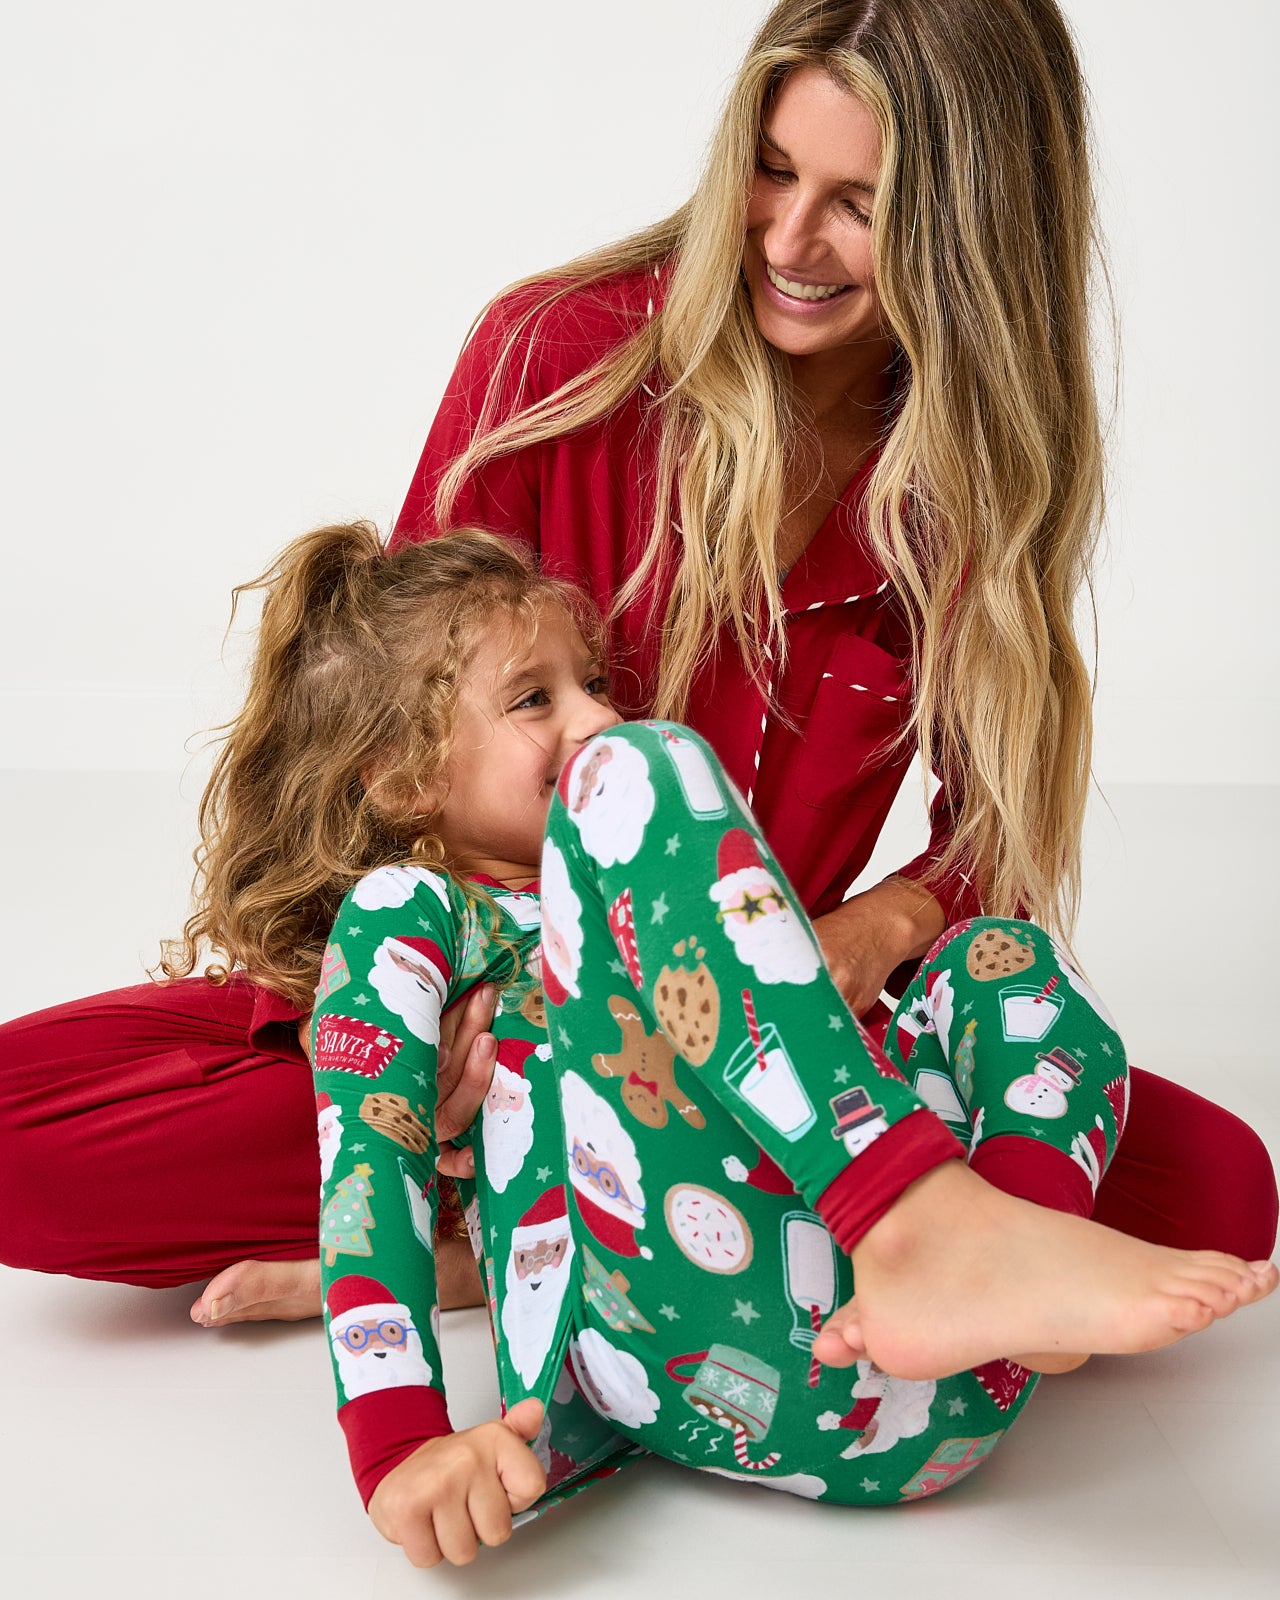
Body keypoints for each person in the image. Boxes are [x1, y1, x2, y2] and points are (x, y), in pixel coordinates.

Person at [0, 0, 1274, 1316]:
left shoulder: (975, 481)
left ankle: (567, 1246)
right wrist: (425, 1033)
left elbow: (990, 836)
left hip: (785, 1069)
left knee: (1221, 1197)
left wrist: (871, 930)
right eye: (773, 171)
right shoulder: (559, 359)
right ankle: (590, 1244)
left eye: (861, 203)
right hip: (499, 1029)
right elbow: (400, 726)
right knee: (14, 1141)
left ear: (973, 230)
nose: (789, 241)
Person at [219, 519, 1266, 1570]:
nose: (597, 712)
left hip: (946, 1374)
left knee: (998, 951)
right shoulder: (414, 909)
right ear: (401, 778)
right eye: (535, 698)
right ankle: (922, 1229)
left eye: (589, 680)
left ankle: (1007, 1247)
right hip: (699, 1352)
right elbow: (369, 1161)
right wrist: (398, 1445)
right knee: (642, 766)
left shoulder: (664, 896)